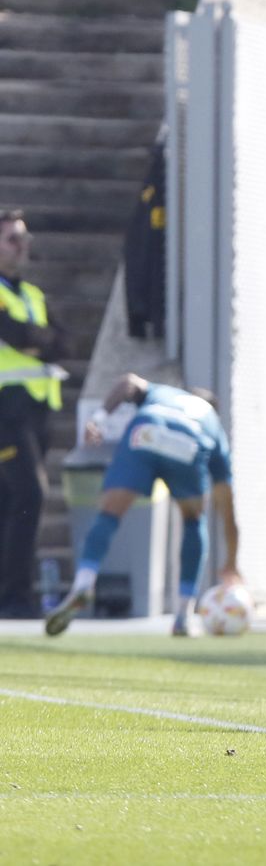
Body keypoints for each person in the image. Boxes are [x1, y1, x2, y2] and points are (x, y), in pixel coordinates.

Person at [44, 373, 238, 637]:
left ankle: (84, 582)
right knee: (194, 521)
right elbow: (227, 508)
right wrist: (231, 562)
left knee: (109, 514)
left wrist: (99, 419)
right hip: (189, 441)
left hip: (147, 429)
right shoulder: (212, 422)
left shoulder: (164, 393)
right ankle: (183, 613)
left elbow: (127, 382)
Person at [0, 210, 66, 620]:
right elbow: (18, 335)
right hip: (5, 408)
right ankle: (17, 596)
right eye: (11, 239)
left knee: (10, 499)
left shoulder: (33, 294)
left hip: (38, 408)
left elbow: (63, 341)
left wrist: (37, 342)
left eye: (24, 239)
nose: (21, 247)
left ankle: (8, 593)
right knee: (31, 494)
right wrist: (37, 340)